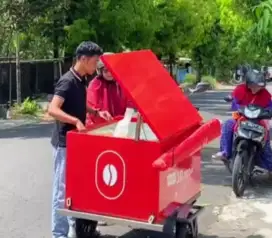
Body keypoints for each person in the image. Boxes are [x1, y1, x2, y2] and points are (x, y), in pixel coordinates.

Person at [48, 41, 112, 238]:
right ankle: (59, 234)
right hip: (64, 143)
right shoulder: (67, 81)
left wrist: (95, 112)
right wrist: (75, 120)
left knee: (77, 188)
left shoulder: (81, 79)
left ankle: (78, 228)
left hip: (77, 143)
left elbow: (78, 103)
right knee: (62, 191)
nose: (97, 66)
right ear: (83, 59)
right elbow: (53, 109)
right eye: (95, 62)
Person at [213, 71, 272, 169]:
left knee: (265, 141)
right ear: (248, 84)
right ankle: (225, 152)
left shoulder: (265, 94)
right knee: (227, 124)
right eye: (253, 85)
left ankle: (269, 165)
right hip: (241, 118)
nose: (255, 88)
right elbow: (234, 99)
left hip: (259, 121)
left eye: (259, 86)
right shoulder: (240, 89)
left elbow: (270, 106)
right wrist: (231, 100)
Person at [86, 53, 133, 127]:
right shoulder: (95, 85)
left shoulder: (122, 83)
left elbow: (130, 103)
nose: (109, 73)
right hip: (99, 126)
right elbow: (92, 108)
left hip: (120, 124)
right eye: (105, 70)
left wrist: (125, 120)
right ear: (100, 71)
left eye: (111, 70)